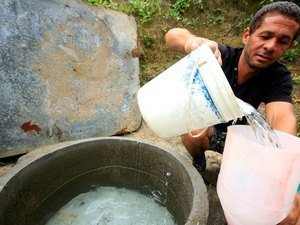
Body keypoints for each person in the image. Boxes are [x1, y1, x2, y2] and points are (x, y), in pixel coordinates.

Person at [164, 1, 300, 225]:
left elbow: (282, 115)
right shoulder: (221, 56)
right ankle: (199, 162)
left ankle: (234, 174)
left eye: (282, 41)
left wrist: (283, 170)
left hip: (240, 141)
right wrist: (192, 43)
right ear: (247, 35)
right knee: (194, 131)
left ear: (289, 46)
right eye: (265, 36)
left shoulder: (278, 77)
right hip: (208, 129)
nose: (270, 46)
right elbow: (172, 36)